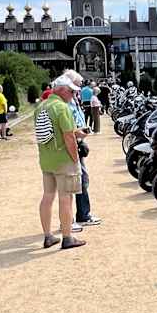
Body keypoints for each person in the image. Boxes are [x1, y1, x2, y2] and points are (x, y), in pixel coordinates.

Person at [34, 75, 86, 250]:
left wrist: (75, 132)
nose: (73, 94)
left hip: (46, 158)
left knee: (48, 196)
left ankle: (48, 235)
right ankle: (67, 236)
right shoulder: (61, 108)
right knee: (66, 198)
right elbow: (68, 137)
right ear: (62, 90)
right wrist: (75, 158)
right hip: (64, 159)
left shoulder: (42, 106)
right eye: (71, 91)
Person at [62, 70, 102, 228]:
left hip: (77, 140)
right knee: (76, 181)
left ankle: (82, 214)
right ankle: (75, 218)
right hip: (72, 142)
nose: (79, 88)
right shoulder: (65, 102)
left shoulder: (73, 99)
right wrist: (78, 134)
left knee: (81, 179)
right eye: (77, 85)